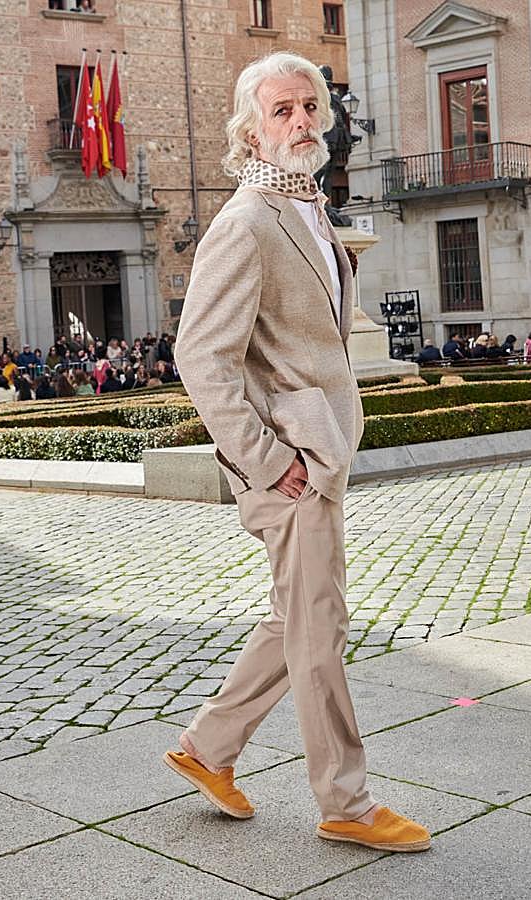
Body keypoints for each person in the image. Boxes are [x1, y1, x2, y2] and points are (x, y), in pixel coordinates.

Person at [168, 51, 430, 853]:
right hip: (289, 466)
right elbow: (199, 355)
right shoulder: (246, 221)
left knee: (296, 618)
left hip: (315, 450)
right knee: (319, 628)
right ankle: (345, 801)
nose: (301, 122)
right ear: (250, 127)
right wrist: (264, 459)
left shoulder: (310, 208)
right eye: (281, 111)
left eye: (309, 106)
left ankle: (206, 748)